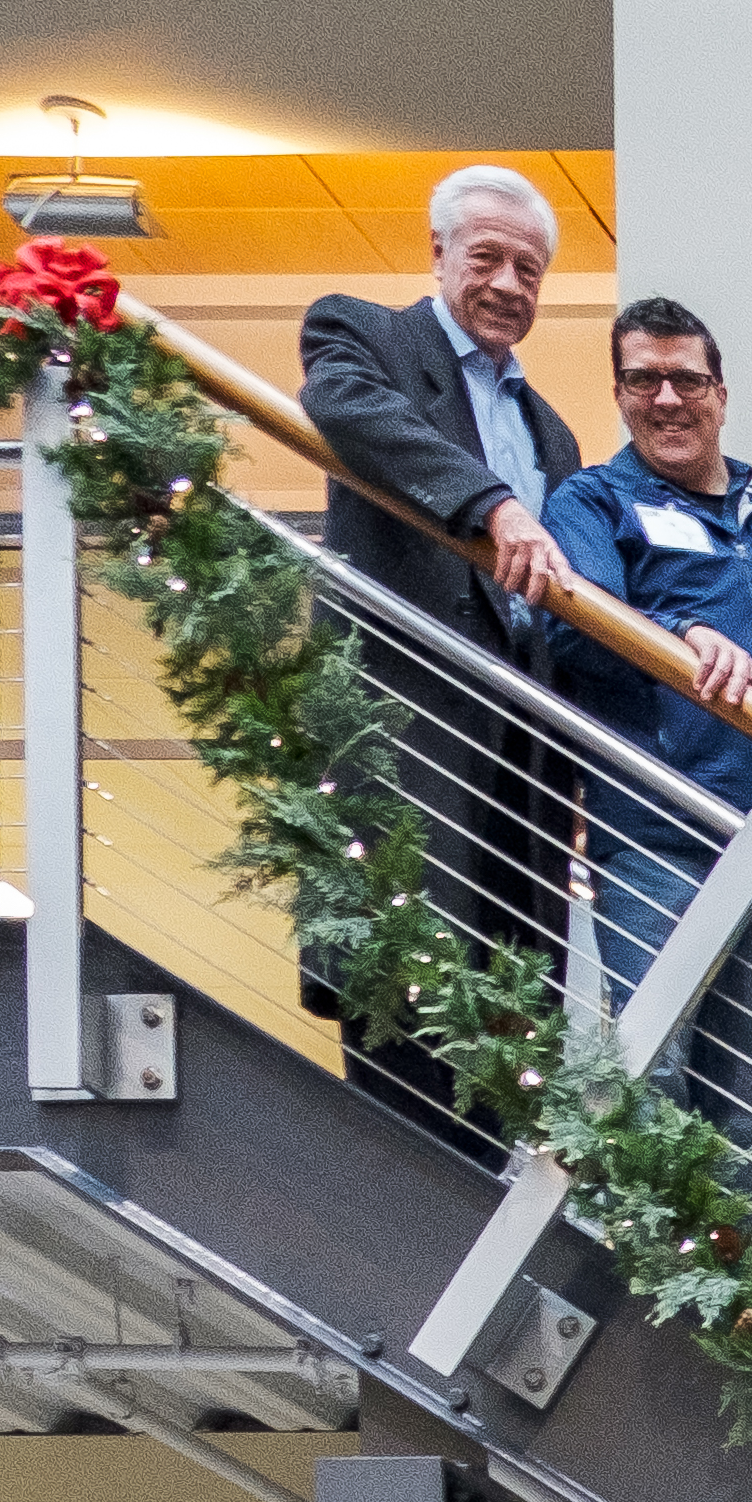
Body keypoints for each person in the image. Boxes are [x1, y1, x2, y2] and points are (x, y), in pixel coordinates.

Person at [293, 167, 585, 1143]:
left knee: (508, 1051)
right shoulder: (364, 336)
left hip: (518, 779)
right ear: (437, 253)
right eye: (489, 257)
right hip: (409, 755)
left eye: (530, 269)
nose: (509, 284)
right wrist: (491, 504)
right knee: (406, 1072)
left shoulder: (551, 429)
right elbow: (348, 411)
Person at [535, 298, 752, 1153]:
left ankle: (720, 1293)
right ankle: (642, 1288)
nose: (667, 398)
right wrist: (683, 636)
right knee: (653, 1087)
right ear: (619, 394)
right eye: (643, 379)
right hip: (657, 844)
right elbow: (575, 623)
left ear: (720, 394)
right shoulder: (591, 503)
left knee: (741, 1122)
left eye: (686, 379)